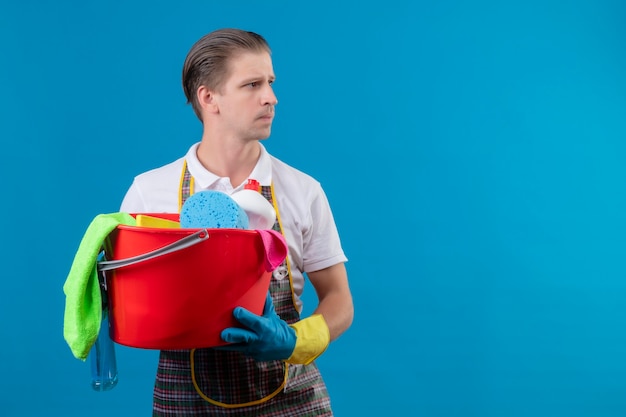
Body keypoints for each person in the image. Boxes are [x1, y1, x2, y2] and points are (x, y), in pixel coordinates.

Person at [119, 28, 354, 416]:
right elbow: (127, 302)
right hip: (186, 403)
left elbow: (340, 300)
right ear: (209, 98)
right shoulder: (149, 192)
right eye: (252, 84)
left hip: (293, 400)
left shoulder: (302, 190)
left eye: (271, 83)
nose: (271, 97)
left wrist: (295, 341)